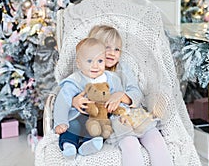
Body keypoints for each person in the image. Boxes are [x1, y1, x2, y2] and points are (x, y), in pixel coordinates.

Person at [73, 25, 173, 166]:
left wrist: (121, 95)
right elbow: (73, 91)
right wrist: (75, 100)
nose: (112, 53)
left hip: (133, 115)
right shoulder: (87, 73)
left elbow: (136, 93)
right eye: (107, 47)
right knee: (130, 145)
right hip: (114, 121)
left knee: (156, 140)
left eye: (117, 49)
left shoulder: (122, 68)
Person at [53, 37, 123, 160]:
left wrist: (122, 110)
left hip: (97, 118)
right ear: (79, 63)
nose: (95, 66)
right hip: (77, 116)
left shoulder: (111, 79)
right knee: (72, 127)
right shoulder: (75, 80)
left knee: (98, 129)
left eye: (100, 61)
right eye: (90, 61)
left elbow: (118, 96)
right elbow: (62, 101)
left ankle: (89, 144)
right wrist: (61, 122)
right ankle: (69, 145)